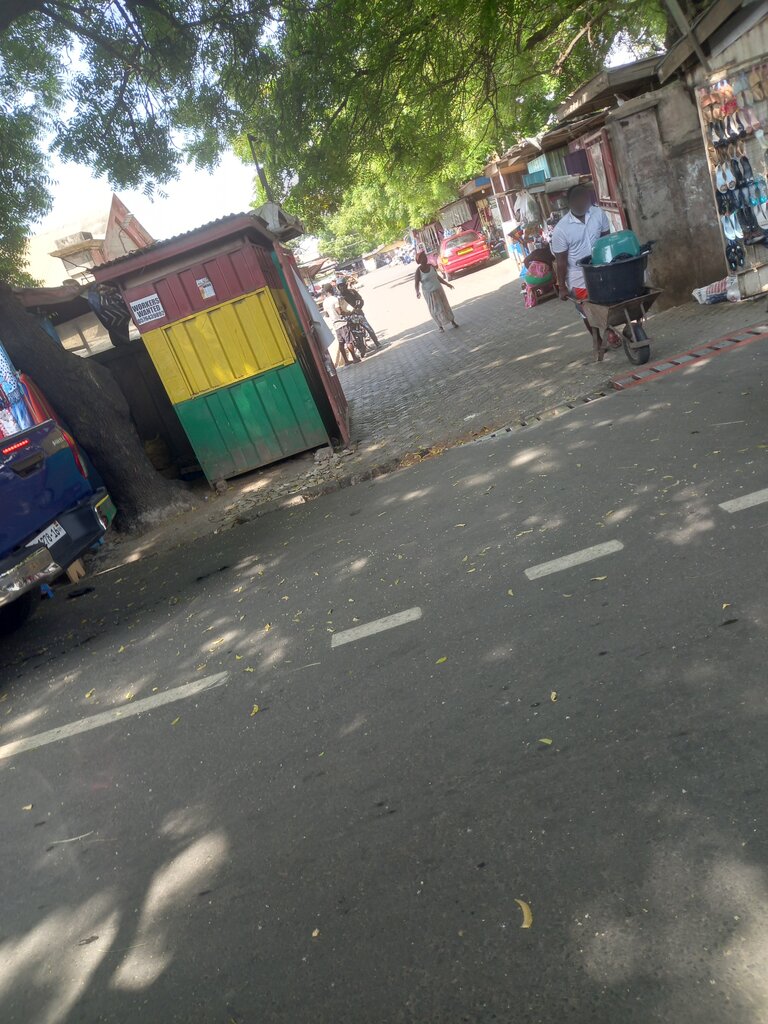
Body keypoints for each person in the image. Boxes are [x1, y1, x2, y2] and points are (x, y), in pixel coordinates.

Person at [550, 184, 610, 339]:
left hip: (602, 268)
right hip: (579, 277)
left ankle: (610, 331)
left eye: (586, 199)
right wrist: (562, 287)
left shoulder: (598, 214)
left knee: (608, 304)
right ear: (570, 203)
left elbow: (606, 240)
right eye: (579, 201)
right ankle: (597, 338)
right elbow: (561, 263)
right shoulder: (561, 230)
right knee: (586, 310)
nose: (583, 203)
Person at [414, 252, 458, 331]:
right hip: (429, 293)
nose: (425, 259)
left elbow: (438, 277)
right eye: (423, 258)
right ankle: (440, 326)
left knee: (445, 306)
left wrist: (447, 284)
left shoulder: (431, 267)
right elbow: (416, 283)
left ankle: (452, 321)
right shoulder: (418, 271)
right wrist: (417, 292)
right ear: (419, 261)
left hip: (438, 289)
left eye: (425, 257)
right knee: (435, 310)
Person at [337, 276, 381, 348]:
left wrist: (358, 307)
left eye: (342, 285)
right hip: (347, 317)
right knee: (347, 333)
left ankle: (376, 342)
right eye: (340, 286)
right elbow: (338, 308)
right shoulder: (339, 297)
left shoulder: (352, 292)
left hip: (357, 314)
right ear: (338, 287)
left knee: (368, 328)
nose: (341, 287)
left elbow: (360, 300)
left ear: (346, 285)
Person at [322, 283, 356, 364]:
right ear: (331, 290)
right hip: (341, 323)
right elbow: (339, 312)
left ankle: (346, 361)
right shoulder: (334, 299)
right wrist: (347, 313)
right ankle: (355, 358)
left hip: (335, 324)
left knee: (341, 343)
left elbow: (326, 314)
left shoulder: (325, 302)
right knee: (349, 341)